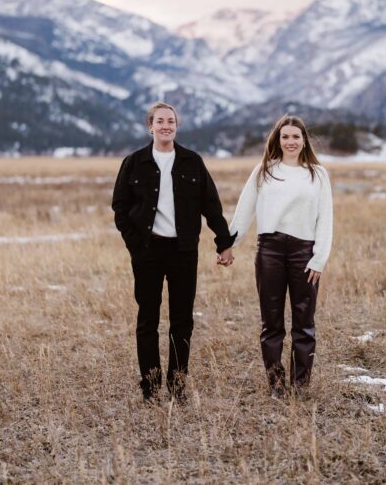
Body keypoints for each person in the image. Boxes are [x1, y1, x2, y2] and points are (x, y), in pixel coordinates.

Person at [112, 101, 236, 402]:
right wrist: (134, 244)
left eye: (171, 121)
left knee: (182, 320)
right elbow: (120, 207)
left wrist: (224, 243)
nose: (166, 125)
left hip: (183, 251)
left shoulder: (192, 161)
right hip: (148, 251)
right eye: (160, 121)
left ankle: (178, 383)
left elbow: (211, 206)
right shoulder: (134, 162)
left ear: (176, 126)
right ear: (150, 126)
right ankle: (151, 386)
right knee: (148, 319)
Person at [224, 114, 334, 397]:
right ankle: (276, 384)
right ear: (277, 140)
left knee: (304, 323)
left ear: (304, 140)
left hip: (304, 253)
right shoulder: (264, 171)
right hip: (269, 250)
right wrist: (228, 245)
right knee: (271, 323)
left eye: (296, 136)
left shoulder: (317, 174)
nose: (291, 142)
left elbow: (326, 219)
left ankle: (300, 385)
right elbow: (245, 210)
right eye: (285, 136)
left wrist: (319, 258)